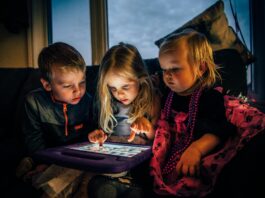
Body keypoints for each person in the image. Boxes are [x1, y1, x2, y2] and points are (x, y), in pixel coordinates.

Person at [149, 29, 238, 197]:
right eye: (164, 69)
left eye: (174, 69)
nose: (167, 76)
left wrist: (196, 150)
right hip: (168, 155)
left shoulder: (209, 97)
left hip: (196, 157)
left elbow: (218, 131)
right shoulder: (168, 94)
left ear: (201, 68)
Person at [16, 42, 94, 197]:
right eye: (67, 86)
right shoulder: (34, 102)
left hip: (74, 154)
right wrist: (42, 161)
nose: (78, 90)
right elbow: (33, 137)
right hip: (48, 151)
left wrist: (94, 134)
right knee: (34, 159)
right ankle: (33, 165)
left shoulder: (88, 101)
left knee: (83, 168)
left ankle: (35, 171)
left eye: (82, 82)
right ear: (47, 85)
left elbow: (89, 133)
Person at [87, 43, 160, 198]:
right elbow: (105, 131)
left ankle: (130, 187)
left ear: (140, 78)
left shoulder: (151, 100)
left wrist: (147, 128)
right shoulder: (109, 103)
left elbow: (158, 139)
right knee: (98, 186)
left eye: (125, 86)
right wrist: (99, 135)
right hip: (112, 161)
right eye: (113, 88)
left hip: (139, 163)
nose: (119, 94)